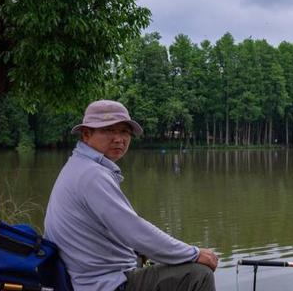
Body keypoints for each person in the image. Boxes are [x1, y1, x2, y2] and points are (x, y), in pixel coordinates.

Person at [44, 100, 217, 291]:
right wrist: (193, 253)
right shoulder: (92, 174)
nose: (119, 139)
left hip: (91, 278)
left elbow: (122, 230)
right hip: (105, 284)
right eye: (109, 130)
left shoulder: (78, 165)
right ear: (86, 134)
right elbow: (134, 230)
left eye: (125, 131)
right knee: (199, 275)